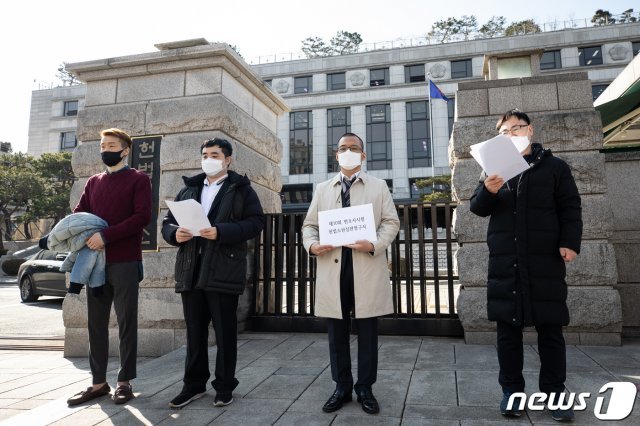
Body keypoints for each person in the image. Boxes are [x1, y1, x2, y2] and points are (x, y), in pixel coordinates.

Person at [469, 109, 582, 422]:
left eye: (517, 128)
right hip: (506, 262)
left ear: (530, 130)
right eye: (505, 131)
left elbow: (571, 206)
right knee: (508, 332)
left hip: (545, 259)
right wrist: (488, 190)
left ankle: (555, 394)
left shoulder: (556, 167)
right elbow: (477, 209)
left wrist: (570, 242)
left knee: (550, 331)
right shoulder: (493, 170)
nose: (512, 133)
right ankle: (512, 393)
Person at [162, 138, 264, 408]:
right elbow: (167, 222)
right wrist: (175, 234)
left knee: (224, 333)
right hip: (191, 270)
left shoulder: (241, 189)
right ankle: (193, 386)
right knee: (194, 333)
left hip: (223, 270)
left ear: (227, 159)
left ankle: (224, 386)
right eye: (205, 154)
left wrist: (221, 231)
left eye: (215, 154)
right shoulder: (189, 188)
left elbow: (256, 223)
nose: (209, 158)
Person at [302, 132, 400, 415]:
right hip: (334, 267)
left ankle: (365, 388)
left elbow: (391, 222)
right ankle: (342, 387)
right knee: (336, 333)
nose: (348, 152)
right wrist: (312, 244)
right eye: (343, 148)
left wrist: (375, 244)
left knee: (368, 331)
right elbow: (309, 225)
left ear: (363, 155)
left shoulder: (378, 186)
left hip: (365, 265)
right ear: (336, 155)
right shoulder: (322, 189)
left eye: (353, 148)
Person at [66, 128, 152, 406]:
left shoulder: (138, 179)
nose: (106, 149)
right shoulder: (93, 182)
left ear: (125, 150)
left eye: (111, 145)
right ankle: (98, 383)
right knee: (96, 324)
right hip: (95, 264)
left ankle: (124, 381)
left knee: (126, 322)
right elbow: (79, 214)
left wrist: (106, 235)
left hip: (125, 261)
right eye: (103, 145)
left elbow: (141, 217)